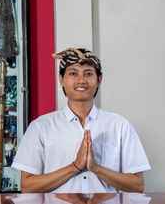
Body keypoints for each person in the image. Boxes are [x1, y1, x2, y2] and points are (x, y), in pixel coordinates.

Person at [12, 47, 151, 193]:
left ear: (99, 79)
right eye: (73, 73)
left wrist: (96, 168)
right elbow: (27, 186)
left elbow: (137, 185)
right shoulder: (40, 127)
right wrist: (75, 166)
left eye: (88, 73)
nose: (81, 80)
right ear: (61, 80)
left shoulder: (119, 125)